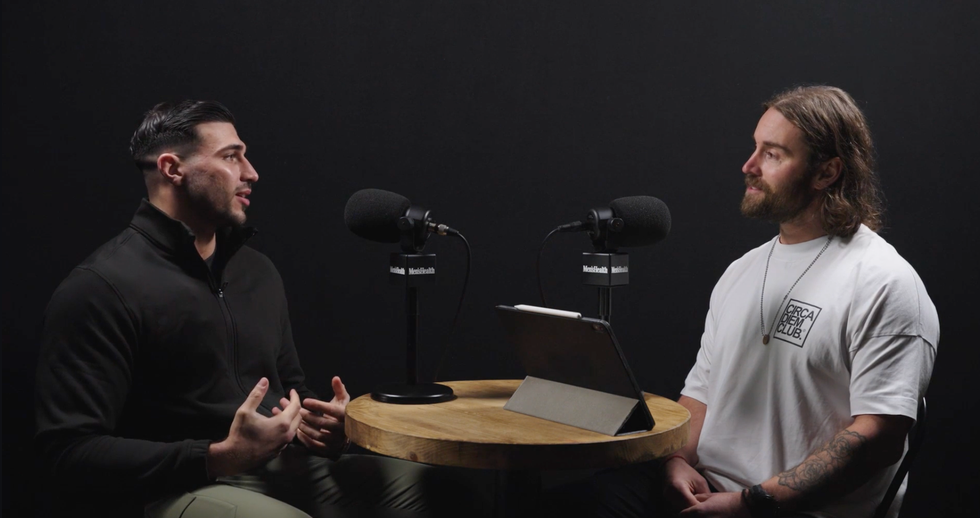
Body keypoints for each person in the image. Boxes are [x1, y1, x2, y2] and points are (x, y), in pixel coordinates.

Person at [34, 100, 483, 518]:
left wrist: (318, 429)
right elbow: (68, 452)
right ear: (172, 168)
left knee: (446, 493)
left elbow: (291, 392)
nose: (251, 172)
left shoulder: (258, 272)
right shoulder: (100, 287)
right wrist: (218, 456)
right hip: (169, 487)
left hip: (273, 469)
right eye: (231, 157)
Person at [598, 86, 938, 518]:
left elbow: (879, 437)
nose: (749, 166)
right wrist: (676, 461)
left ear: (826, 172)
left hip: (791, 508)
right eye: (755, 148)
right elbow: (700, 396)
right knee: (586, 495)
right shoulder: (741, 271)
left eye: (773, 154)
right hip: (710, 489)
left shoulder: (883, 283)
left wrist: (751, 502)